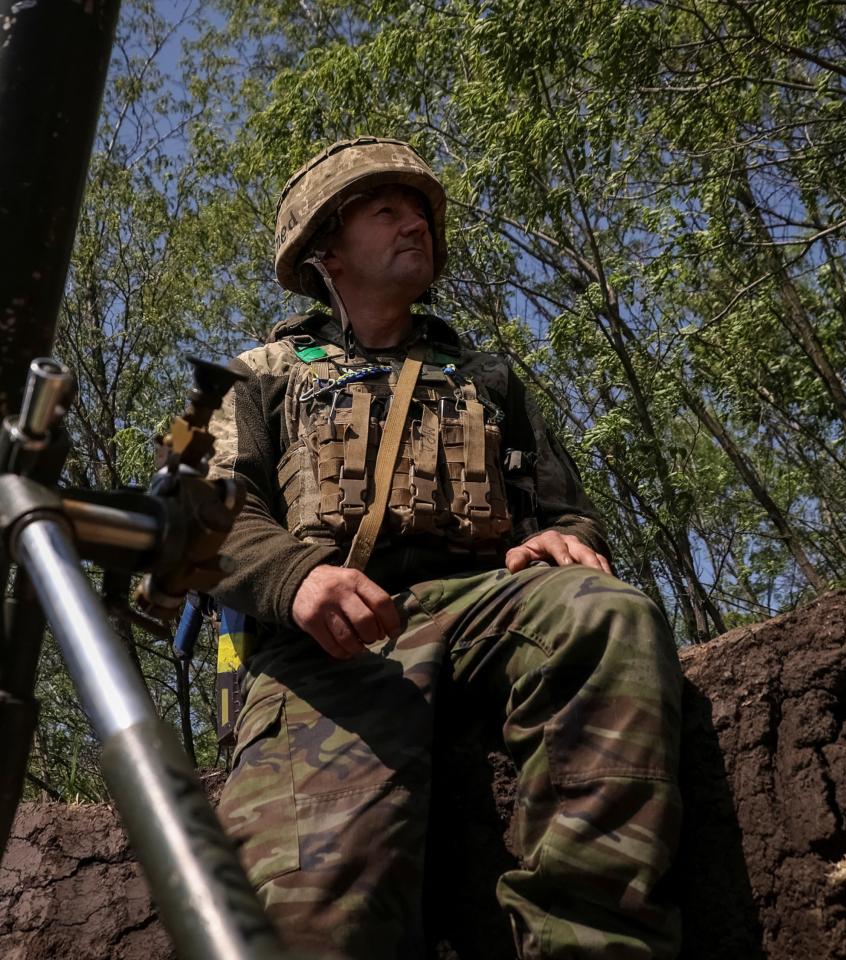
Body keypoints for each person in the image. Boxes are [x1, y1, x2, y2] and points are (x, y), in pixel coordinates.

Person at [206, 137, 684, 959]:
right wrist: (296, 578)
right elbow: (197, 512)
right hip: (331, 643)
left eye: (420, 210)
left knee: (606, 614)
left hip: (487, 607)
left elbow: (566, 514)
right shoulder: (247, 376)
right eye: (385, 211)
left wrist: (561, 546)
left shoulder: (486, 376)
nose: (415, 224)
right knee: (306, 929)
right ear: (326, 252)